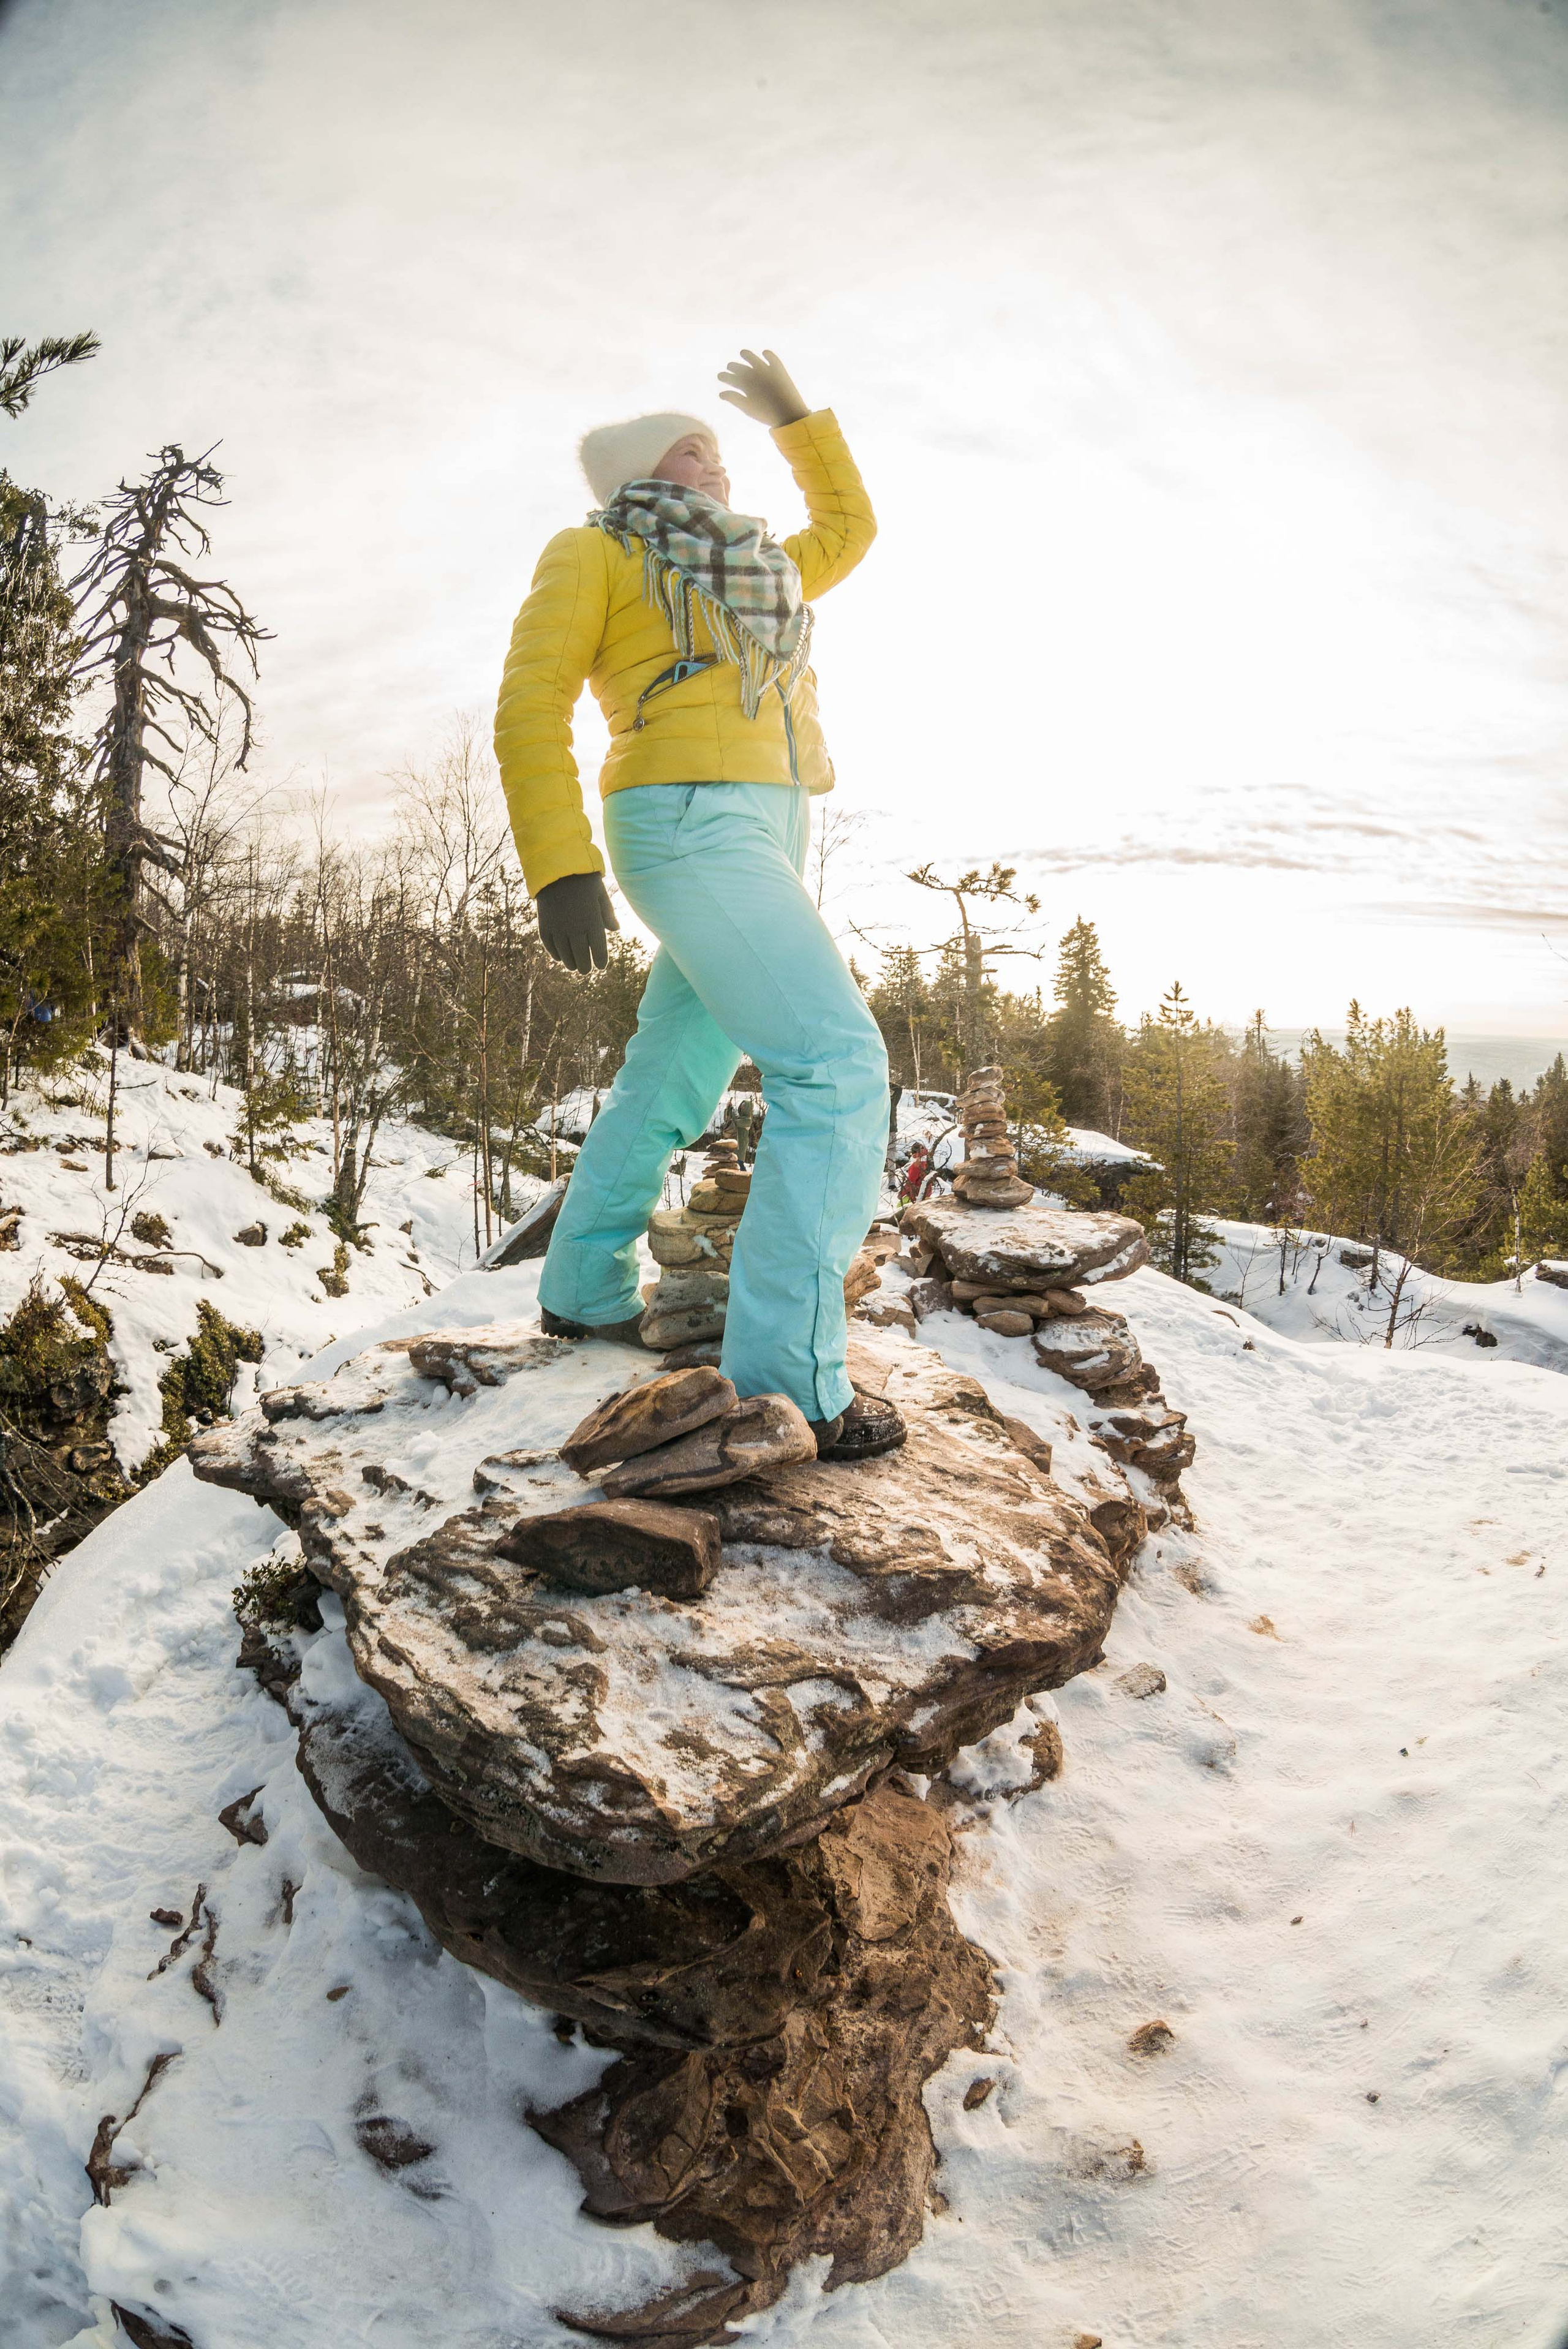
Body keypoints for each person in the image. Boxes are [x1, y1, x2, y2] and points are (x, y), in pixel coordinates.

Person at [494, 348, 903, 1460]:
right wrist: (559, 864)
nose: (716, 466)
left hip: (769, 823)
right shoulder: (597, 550)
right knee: (835, 1063)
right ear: (637, 471)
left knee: (676, 1070)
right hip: (682, 819)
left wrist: (796, 421)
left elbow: (851, 531)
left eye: (723, 453)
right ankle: (793, 1382)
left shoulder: (759, 565)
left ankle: (582, 1286)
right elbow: (531, 702)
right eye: (694, 449)